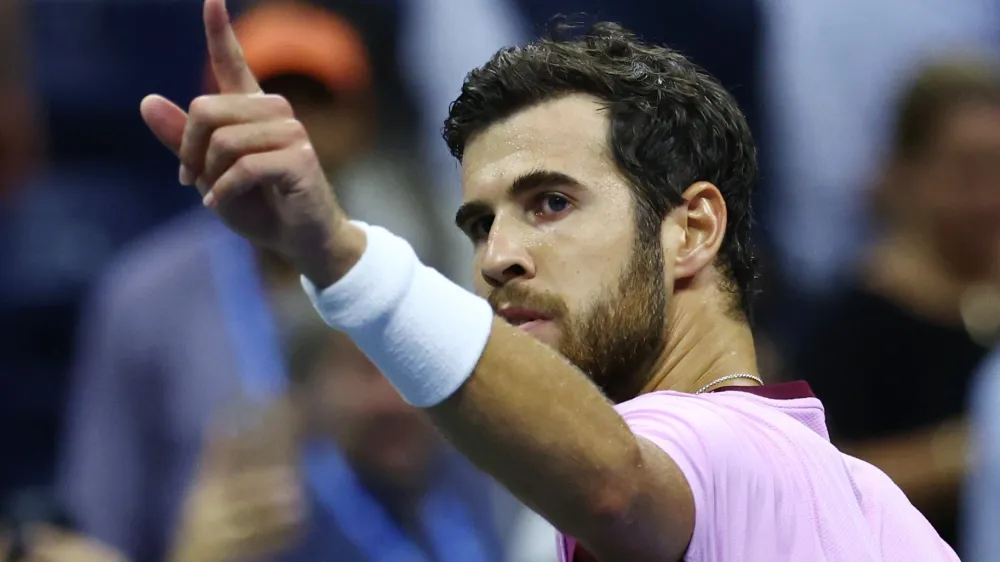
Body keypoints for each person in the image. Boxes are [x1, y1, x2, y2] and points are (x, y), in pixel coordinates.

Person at [140, 0, 959, 559]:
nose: (497, 257)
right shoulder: (870, 504)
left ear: (692, 229)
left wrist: (340, 256)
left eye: (551, 202)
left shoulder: (724, 448)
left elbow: (614, 483)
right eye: (481, 222)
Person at [60, 2, 508, 561]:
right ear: (208, 127)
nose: (289, 131)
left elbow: (472, 509)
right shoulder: (142, 297)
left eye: (315, 104)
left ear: (362, 124)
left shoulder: (413, 273)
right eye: (262, 105)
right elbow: (96, 531)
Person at [793, 60, 1000, 547]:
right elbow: (818, 487)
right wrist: (968, 454)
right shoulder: (852, 327)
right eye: (969, 171)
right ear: (907, 172)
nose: (990, 197)